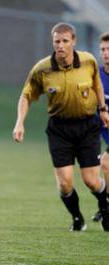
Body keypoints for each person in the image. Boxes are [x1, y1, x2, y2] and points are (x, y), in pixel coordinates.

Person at [12, 22, 109, 232]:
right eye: (57, 41)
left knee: (92, 181)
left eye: (65, 41)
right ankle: (77, 218)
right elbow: (26, 95)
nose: (61, 46)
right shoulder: (42, 68)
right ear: (53, 42)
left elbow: (97, 85)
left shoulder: (88, 61)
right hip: (59, 129)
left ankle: (105, 205)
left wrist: (103, 109)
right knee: (65, 184)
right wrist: (20, 122)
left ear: (73, 41)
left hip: (87, 127)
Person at [92, 31, 109, 222]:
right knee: (93, 173)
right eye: (103, 49)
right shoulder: (95, 74)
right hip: (101, 131)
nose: (105, 53)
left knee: (106, 162)